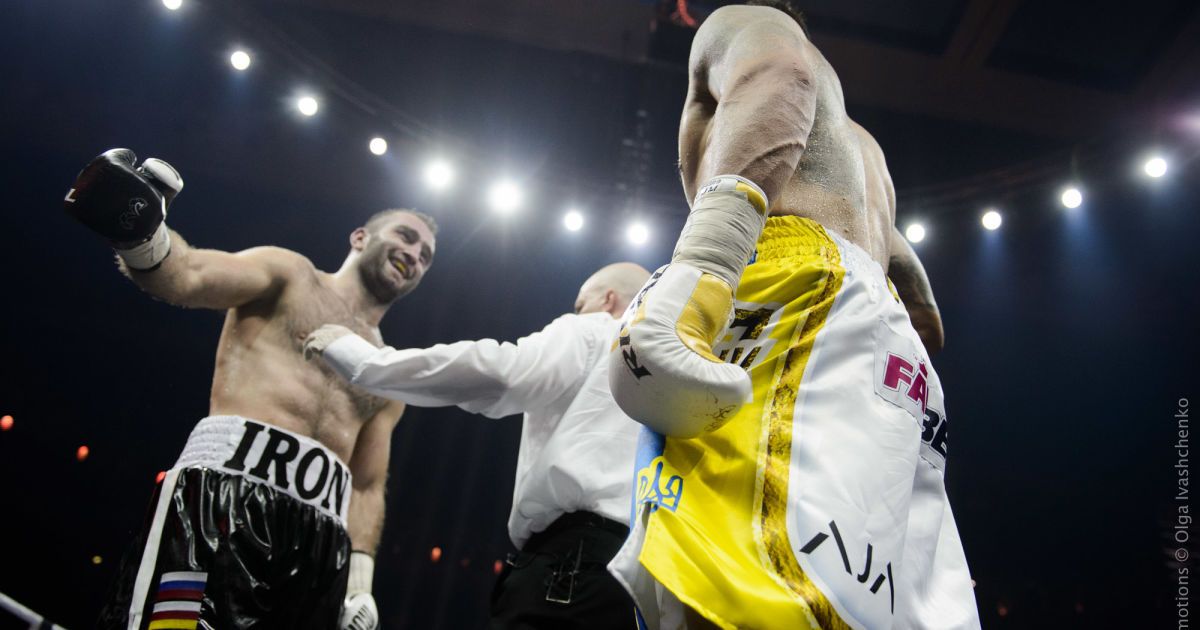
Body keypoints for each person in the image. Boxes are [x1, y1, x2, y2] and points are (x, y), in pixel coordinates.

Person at [604, 2, 978, 628]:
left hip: (790, 281)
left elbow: (782, 73)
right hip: (885, 345)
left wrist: (703, 274)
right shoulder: (862, 146)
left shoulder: (740, 23)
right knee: (846, 603)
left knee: (731, 586)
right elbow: (920, 307)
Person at [64, 148, 436, 629]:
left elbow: (366, 484)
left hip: (320, 541)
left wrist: (359, 584)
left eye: (426, 256)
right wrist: (142, 234)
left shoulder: (388, 373)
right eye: (406, 237)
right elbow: (189, 275)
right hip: (224, 501)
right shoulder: (290, 275)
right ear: (361, 237)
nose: (414, 255)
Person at [303, 262, 651, 630]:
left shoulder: (597, 328)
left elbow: (502, 374)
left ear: (609, 300)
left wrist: (366, 362)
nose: (575, 313)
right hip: (649, 582)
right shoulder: (676, 377)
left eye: (580, 304)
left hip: (574, 566)